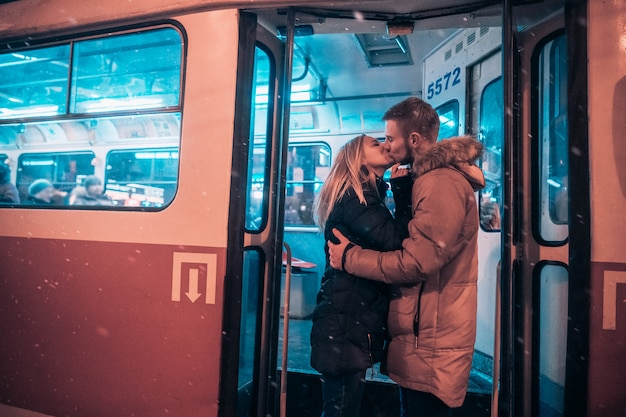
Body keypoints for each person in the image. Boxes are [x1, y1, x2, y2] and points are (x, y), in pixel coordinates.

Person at [327, 97, 485, 417]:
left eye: (389, 138)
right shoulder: (427, 180)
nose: (387, 145)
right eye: (382, 140)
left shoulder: (439, 182)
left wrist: (349, 258)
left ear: (413, 140)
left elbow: (415, 261)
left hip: (429, 337)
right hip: (422, 332)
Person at [310, 134, 413, 417]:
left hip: (346, 317)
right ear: (358, 158)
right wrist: (403, 192)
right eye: (374, 144)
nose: (384, 145)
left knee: (341, 405)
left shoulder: (365, 197)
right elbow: (396, 241)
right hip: (347, 320)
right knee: (341, 408)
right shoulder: (356, 198)